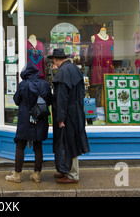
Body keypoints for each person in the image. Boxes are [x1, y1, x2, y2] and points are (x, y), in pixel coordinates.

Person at [6, 61, 53, 183]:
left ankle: (17, 175)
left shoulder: (23, 85)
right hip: (41, 118)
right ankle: (37, 174)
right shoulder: (45, 84)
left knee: (20, 145)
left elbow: (16, 100)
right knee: (38, 146)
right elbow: (50, 100)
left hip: (25, 119)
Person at [49, 48, 90, 184]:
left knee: (69, 142)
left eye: (53, 61)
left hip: (68, 113)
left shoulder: (62, 72)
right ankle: (65, 170)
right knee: (71, 140)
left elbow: (61, 98)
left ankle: (72, 175)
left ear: (55, 59)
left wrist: (60, 118)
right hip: (77, 111)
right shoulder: (75, 68)